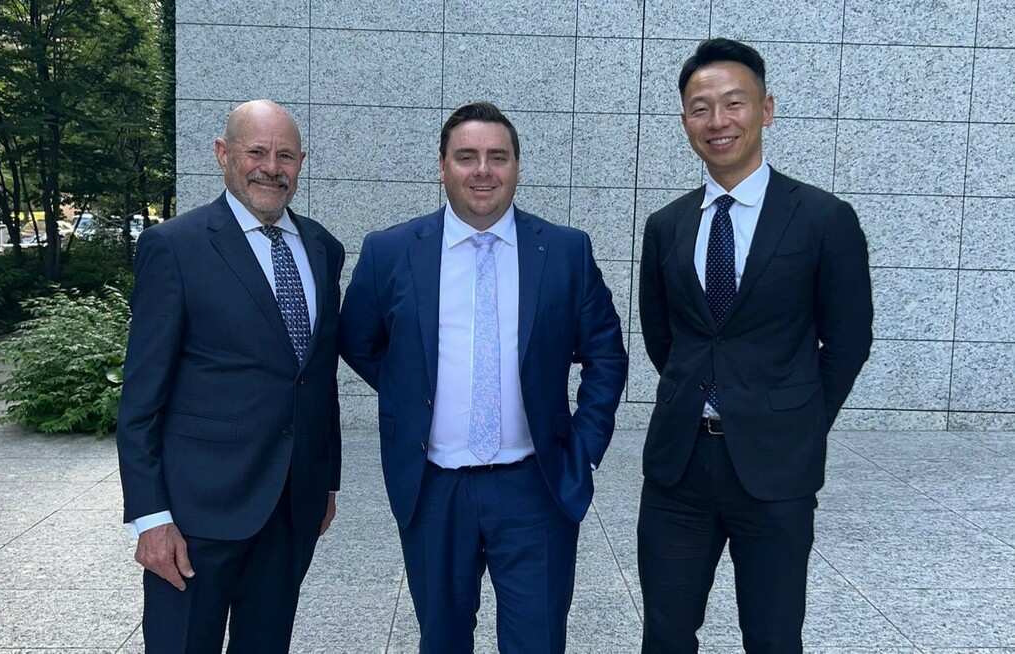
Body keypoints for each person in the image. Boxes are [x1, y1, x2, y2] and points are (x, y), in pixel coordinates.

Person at [339, 101, 628, 653]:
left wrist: (585, 450)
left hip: (535, 486)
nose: (483, 170)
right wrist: (415, 394)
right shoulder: (389, 251)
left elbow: (606, 355)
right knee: (442, 641)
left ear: (517, 166)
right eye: (466, 156)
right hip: (434, 489)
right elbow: (357, 340)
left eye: (498, 156)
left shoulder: (565, 251)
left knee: (538, 642)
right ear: (442, 166)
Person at [636, 39, 873, 653]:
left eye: (733, 103)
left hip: (776, 468)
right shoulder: (667, 226)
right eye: (700, 108)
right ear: (685, 121)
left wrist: (797, 418)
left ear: (765, 109)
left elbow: (848, 340)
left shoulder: (823, 219)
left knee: (772, 636)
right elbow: (664, 338)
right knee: (665, 634)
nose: (718, 120)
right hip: (679, 467)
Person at [116, 99, 344, 653]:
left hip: (290, 510)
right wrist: (150, 517)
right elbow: (141, 400)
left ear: (302, 162)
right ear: (223, 154)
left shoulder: (323, 248)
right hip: (195, 516)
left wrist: (325, 481)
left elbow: (317, 377)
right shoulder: (175, 247)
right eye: (256, 151)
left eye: (285, 155)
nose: (272, 167)